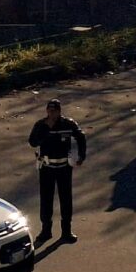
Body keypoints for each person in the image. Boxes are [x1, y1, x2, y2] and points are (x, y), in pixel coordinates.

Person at [28, 98, 86, 244]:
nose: (51, 113)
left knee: (66, 199)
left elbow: (81, 136)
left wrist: (81, 155)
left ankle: (66, 231)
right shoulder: (41, 125)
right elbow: (32, 142)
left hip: (64, 168)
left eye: (54, 110)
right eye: (49, 110)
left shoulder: (68, 124)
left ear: (60, 111)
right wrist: (46, 131)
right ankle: (46, 230)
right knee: (46, 199)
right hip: (46, 167)